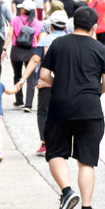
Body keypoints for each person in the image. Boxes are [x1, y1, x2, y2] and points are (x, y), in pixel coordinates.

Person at [39, 7, 105, 209]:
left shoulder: (58, 44)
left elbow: (44, 75)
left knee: (55, 153)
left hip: (60, 107)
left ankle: (67, 191)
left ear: (73, 24)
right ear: (94, 27)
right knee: (86, 161)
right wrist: (92, 93)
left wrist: (60, 85)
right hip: (90, 110)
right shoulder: (100, 49)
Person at [19, 10, 69, 156]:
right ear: (65, 26)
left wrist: (23, 79)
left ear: (51, 26)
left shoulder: (45, 41)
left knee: (43, 112)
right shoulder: (70, 40)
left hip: (46, 83)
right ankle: (61, 142)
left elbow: (35, 60)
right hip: (66, 83)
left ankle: (45, 143)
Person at [3, 0, 43, 112]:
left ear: (23, 9)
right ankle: (28, 104)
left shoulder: (16, 19)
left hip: (16, 50)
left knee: (17, 75)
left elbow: (10, 34)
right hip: (31, 51)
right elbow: (39, 39)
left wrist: (4, 48)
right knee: (30, 77)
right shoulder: (37, 23)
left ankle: (19, 100)